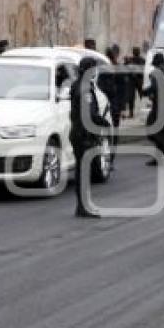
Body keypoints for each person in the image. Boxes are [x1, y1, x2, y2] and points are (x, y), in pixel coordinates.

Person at [69, 57, 107, 218]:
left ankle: (83, 205)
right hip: (83, 134)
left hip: (82, 133)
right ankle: (83, 207)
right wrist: (101, 121)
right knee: (83, 171)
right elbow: (89, 112)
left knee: (83, 170)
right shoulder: (84, 87)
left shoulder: (81, 84)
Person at [143, 53, 164, 164]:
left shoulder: (155, 73)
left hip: (160, 107)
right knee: (162, 131)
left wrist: (145, 92)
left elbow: (155, 87)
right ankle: (161, 156)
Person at [124, 46, 146, 118]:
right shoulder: (140, 60)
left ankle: (133, 113)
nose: (136, 52)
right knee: (134, 97)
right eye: (135, 51)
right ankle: (132, 113)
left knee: (136, 96)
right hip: (135, 80)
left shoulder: (137, 60)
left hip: (135, 80)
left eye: (136, 51)